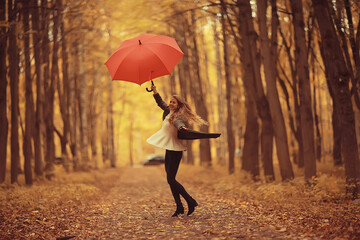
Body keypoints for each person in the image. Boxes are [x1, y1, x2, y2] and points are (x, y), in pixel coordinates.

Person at [147, 85, 211, 217]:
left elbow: (178, 124)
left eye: (173, 102)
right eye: (170, 101)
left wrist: (182, 128)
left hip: (175, 150)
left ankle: (190, 201)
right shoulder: (167, 111)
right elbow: (160, 102)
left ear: (179, 105)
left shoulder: (178, 116)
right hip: (168, 148)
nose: (170, 103)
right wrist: (154, 91)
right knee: (170, 180)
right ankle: (180, 207)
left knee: (171, 179)